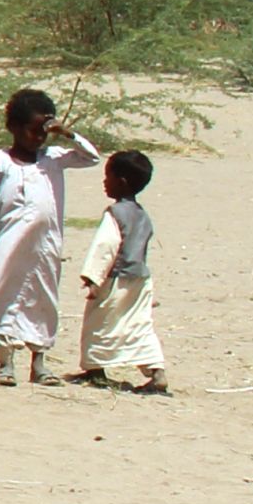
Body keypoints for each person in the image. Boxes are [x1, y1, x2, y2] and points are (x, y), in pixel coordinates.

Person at [0, 87, 102, 385]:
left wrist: (66, 133)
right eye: (33, 131)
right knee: (4, 294)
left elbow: (92, 158)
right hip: (9, 243)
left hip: (45, 246)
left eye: (44, 132)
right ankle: (5, 363)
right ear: (14, 128)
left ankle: (39, 363)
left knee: (42, 298)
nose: (39, 138)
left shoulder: (54, 158)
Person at [72, 150, 168, 393]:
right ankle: (156, 371)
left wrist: (93, 277)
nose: (105, 182)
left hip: (115, 280)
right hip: (140, 280)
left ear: (121, 181)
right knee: (139, 325)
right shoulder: (143, 215)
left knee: (98, 323)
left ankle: (95, 370)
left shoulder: (116, 214)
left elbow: (106, 246)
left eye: (108, 177)